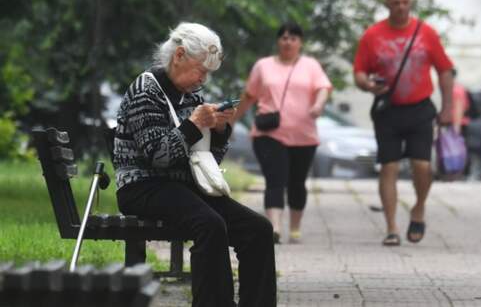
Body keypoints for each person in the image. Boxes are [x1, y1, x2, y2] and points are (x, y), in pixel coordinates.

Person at [113, 22, 276, 307]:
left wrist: (220, 130)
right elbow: (158, 157)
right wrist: (194, 125)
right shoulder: (145, 90)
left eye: (208, 74)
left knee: (258, 229)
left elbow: (207, 162)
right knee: (209, 224)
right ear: (178, 55)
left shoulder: (192, 96)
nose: (203, 80)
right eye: (201, 70)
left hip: (182, 186)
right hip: (143, 186)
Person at [353, 0, 454, 246]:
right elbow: (360, 72)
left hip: (420, 108)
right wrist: (367, 85)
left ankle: (418, 207)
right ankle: (391, 227)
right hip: (388, 110)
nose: (401, 7)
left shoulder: (426, 33)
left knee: (422, 166)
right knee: (389, 167)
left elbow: (445, 70)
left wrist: (447, 108)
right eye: (395, 3)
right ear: (387, 5)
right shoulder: (373, 35)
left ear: (410, 4)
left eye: (405, 2)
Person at [234, 22, 332, 244]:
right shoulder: (263, 66)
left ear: (300, 43)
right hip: (268, 134)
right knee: (275, 179)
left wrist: (318, 105)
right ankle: (275, 228)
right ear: (278, 41)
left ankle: (295, 228)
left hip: (304, 135)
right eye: (284, 37)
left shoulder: (311, 65)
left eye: (293, 38)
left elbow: (323, 88)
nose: (288, 42)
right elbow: (249, 95)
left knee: (297, 182)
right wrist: (231, 121)